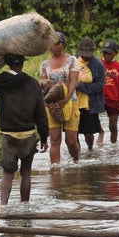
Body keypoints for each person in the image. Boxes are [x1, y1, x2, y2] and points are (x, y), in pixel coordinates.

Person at [0, 53, 49, 207]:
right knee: (26, 172)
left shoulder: (0, 82)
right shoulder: (32, 83)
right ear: (22, 63)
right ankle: (25, 206)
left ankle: (3, 206)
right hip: (28, 135)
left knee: (7, 173)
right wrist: (45, 137)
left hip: (8, 135)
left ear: (6, 63)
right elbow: (41, 113)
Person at [40, 32, 80, 165]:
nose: (55, 46)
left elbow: (73, 81)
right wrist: (47, 103)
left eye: (57, 43)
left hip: (70, 102)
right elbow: (44, 85)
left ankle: (76, 162)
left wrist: (65, 99)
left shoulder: (72, 60)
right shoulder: (45, 64)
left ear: (63, 45)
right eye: (52, 43)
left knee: (71, 141)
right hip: (52, 104)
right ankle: (55, 170)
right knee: (55, 140)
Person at [75, 38, 105, 151]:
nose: (85, 57)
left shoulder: (98, 65)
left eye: (88, 55)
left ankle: (90, 150)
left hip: (89, 105)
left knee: (88, 133)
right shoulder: (72, 61)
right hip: (74, 103)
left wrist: (80, 86)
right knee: (74, 133)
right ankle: (76, 154)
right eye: (83, 55)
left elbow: (99, 86)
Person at [96, 40, 119, 145]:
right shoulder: (98, 64)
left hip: (113, 99)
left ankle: (113, 145)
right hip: (99, 98)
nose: (106, 55)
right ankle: (100, 131)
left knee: (113, 125)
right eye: (104, 53)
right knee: (93, 120)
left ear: (116, 53)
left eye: (109, 53)